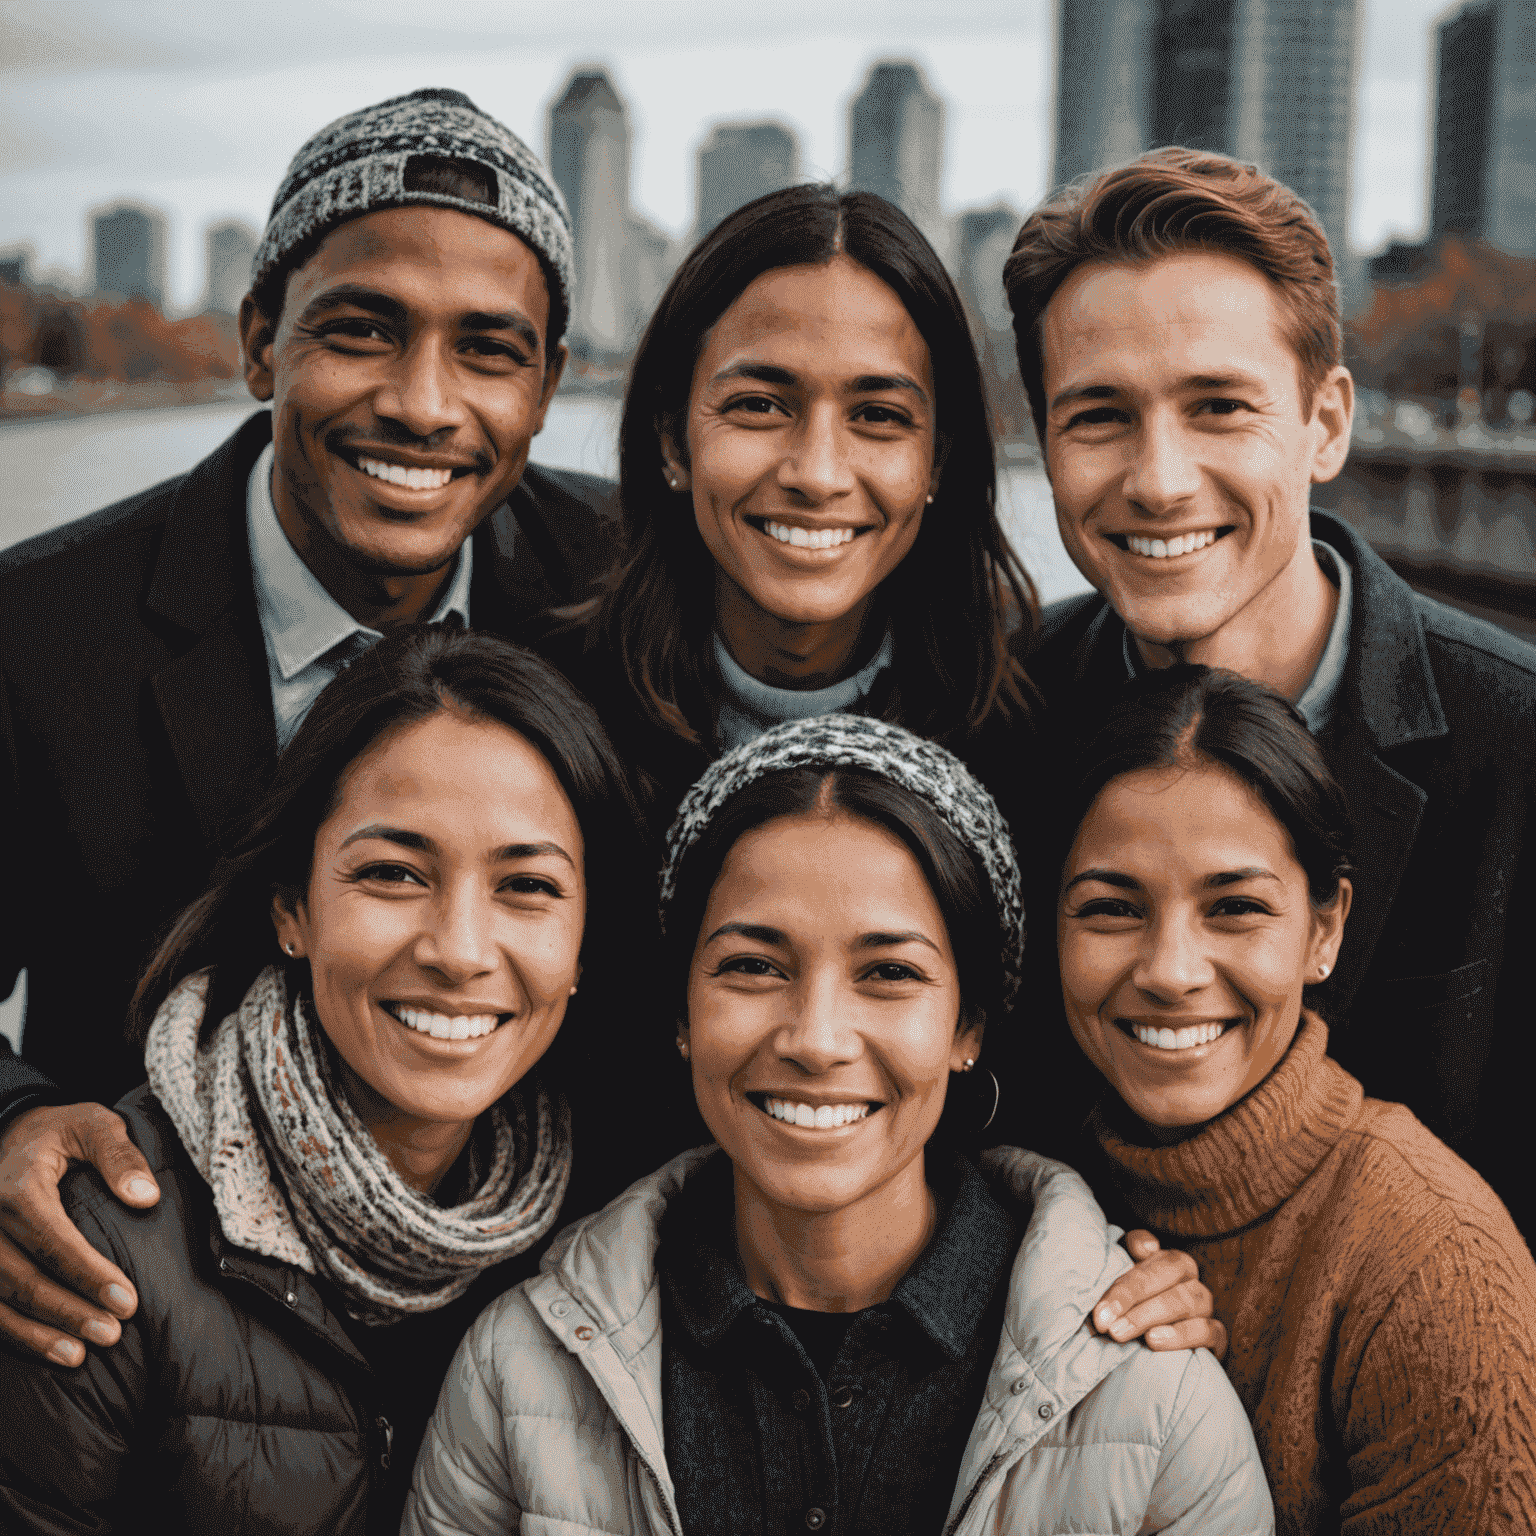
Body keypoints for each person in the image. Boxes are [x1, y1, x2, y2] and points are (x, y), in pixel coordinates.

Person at [0, 86, 621, 1363]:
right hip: (139, 1341)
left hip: (526, 1325)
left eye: (490, 350)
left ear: (551, 384)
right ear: (259, 342)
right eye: (363, 330)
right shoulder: (39, 631)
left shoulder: (620, 592)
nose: (423, 403)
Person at [404, 714, 1275, 1536]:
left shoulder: (1149, 1398)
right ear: (682, 1013)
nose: (815, 1039)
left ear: (968, 1027)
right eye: (753, 966)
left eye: (889, 972)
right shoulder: (517, 1372)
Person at [0, 624, 652, 1533]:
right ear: (290, 909)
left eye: (527, 887)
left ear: (585, 948)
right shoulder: (102, 1238)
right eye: (391, 873)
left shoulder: (620, 1248)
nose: (459, 950)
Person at [1003, 146, 1536, 1242]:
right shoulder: (999, 718)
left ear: (1326, 424)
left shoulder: (1516, 742)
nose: (1158, 479)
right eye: (1098, 416)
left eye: (1217, 407)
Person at [1056, 665, 1536, 1533]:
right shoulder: (1023, 1187)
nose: (1169, 972)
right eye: (1111, 909)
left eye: (1235, 908)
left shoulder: (1432, 1263)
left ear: (1325, 929)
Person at [549, 183, 1039, 841]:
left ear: (938, 462)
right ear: (672, 439)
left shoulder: (1037, 739)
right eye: (759, 405)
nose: (816, 474)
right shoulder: (547, 715)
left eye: (878, 416)